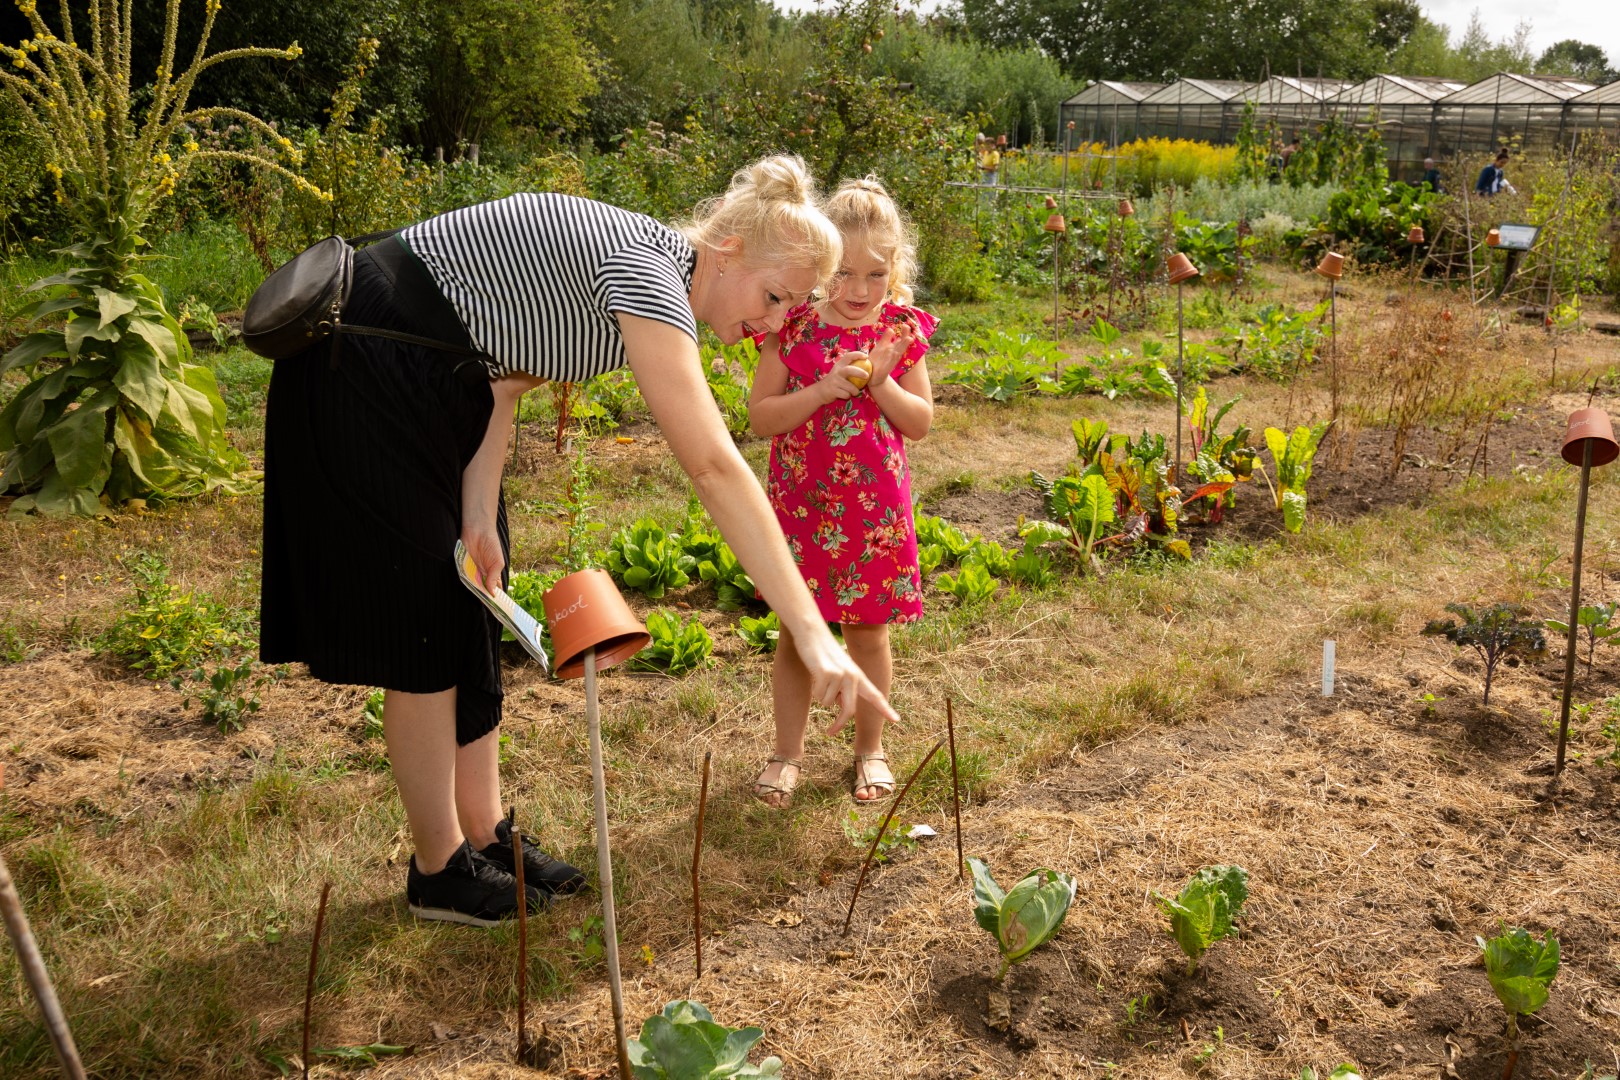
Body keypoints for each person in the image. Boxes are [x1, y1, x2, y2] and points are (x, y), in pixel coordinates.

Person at [260, 155, 896, 927]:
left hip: (439, 377)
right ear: (726, 250)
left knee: (471, 593)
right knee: (423, 615)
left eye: (793, 305)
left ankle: (487, 837)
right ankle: (437, 869)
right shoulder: (648, 272)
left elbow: (502, 375)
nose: (774, 321)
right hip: (364, 360)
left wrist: (477, 508)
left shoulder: (654, 276)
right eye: (773, 296)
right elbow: (712, 465)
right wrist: (810, 629)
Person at [745, 176, 936, 808]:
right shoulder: (793, 327)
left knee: (868, 635)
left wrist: (880, 382)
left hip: (873, 513)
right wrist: (822, 390)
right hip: (803, 509)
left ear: (894, 271)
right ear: (820, 266)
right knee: (799, 639)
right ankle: (786, 753)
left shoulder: (900, 332)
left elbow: (921, 423)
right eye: (844, 274)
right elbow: (762, 417)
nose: (858, 291)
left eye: (875, 275)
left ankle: (869, 749)